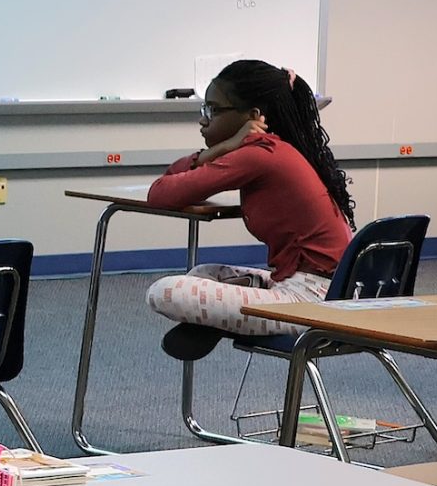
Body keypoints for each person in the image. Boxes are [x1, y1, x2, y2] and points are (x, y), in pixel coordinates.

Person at [143, 59, 355, 359]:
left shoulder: (259, 154)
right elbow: (171, 182)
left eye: (213, 110)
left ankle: (227, 320)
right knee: (202, 273)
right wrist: (223, 147)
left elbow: (160, 193)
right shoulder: (276, 149)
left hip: (313, 299)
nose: (203, 121)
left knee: (163, 292)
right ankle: (231, 315)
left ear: (252, 116)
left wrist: (223, 148)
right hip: (320, 285)